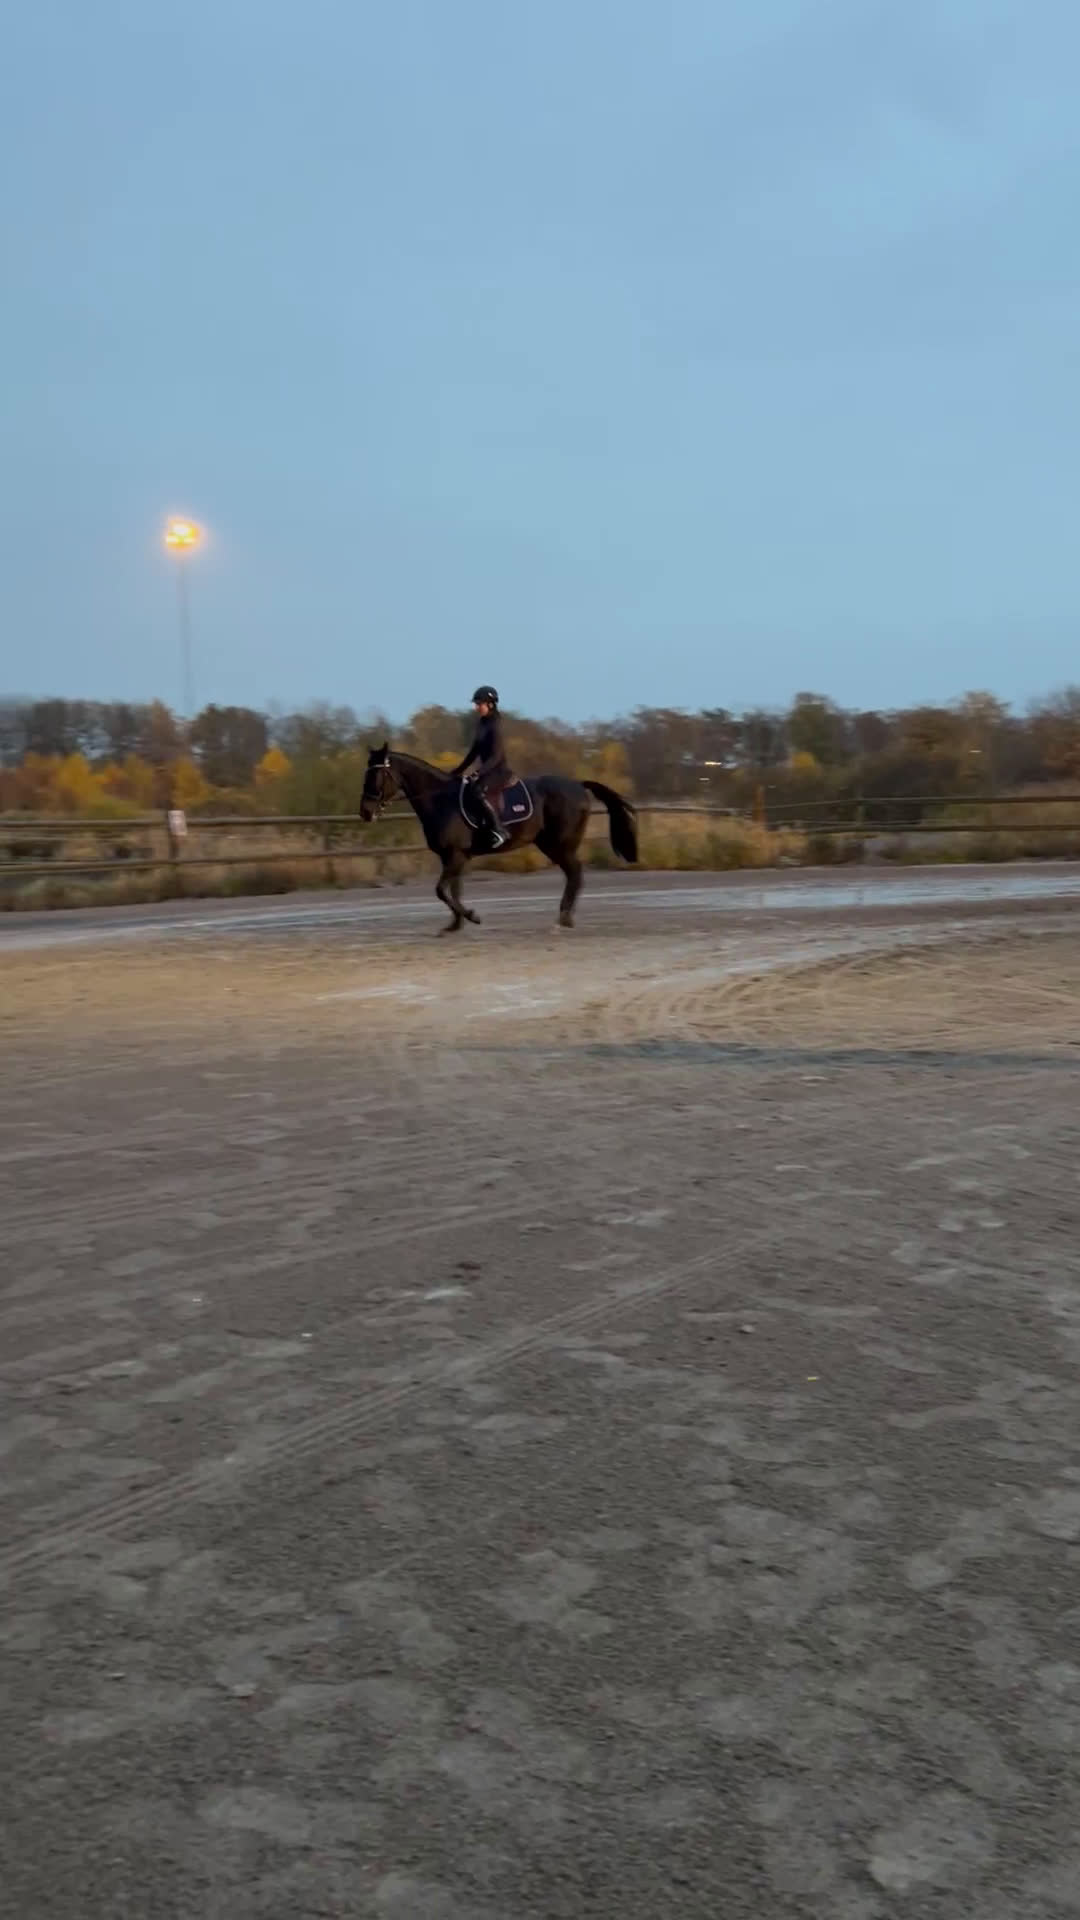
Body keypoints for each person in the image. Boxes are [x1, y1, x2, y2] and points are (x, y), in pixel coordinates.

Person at [453, 686, 511, 850]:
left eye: (480, 704)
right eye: (476, 704)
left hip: (498, 771)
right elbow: (474, 751)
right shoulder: (482, 723)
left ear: (491, 704)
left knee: (478, 791)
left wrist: (478, 772)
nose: (477, 707)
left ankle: (499, 830)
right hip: (487, 770)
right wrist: (458, 771)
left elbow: (496, 756)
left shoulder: (495, 724)